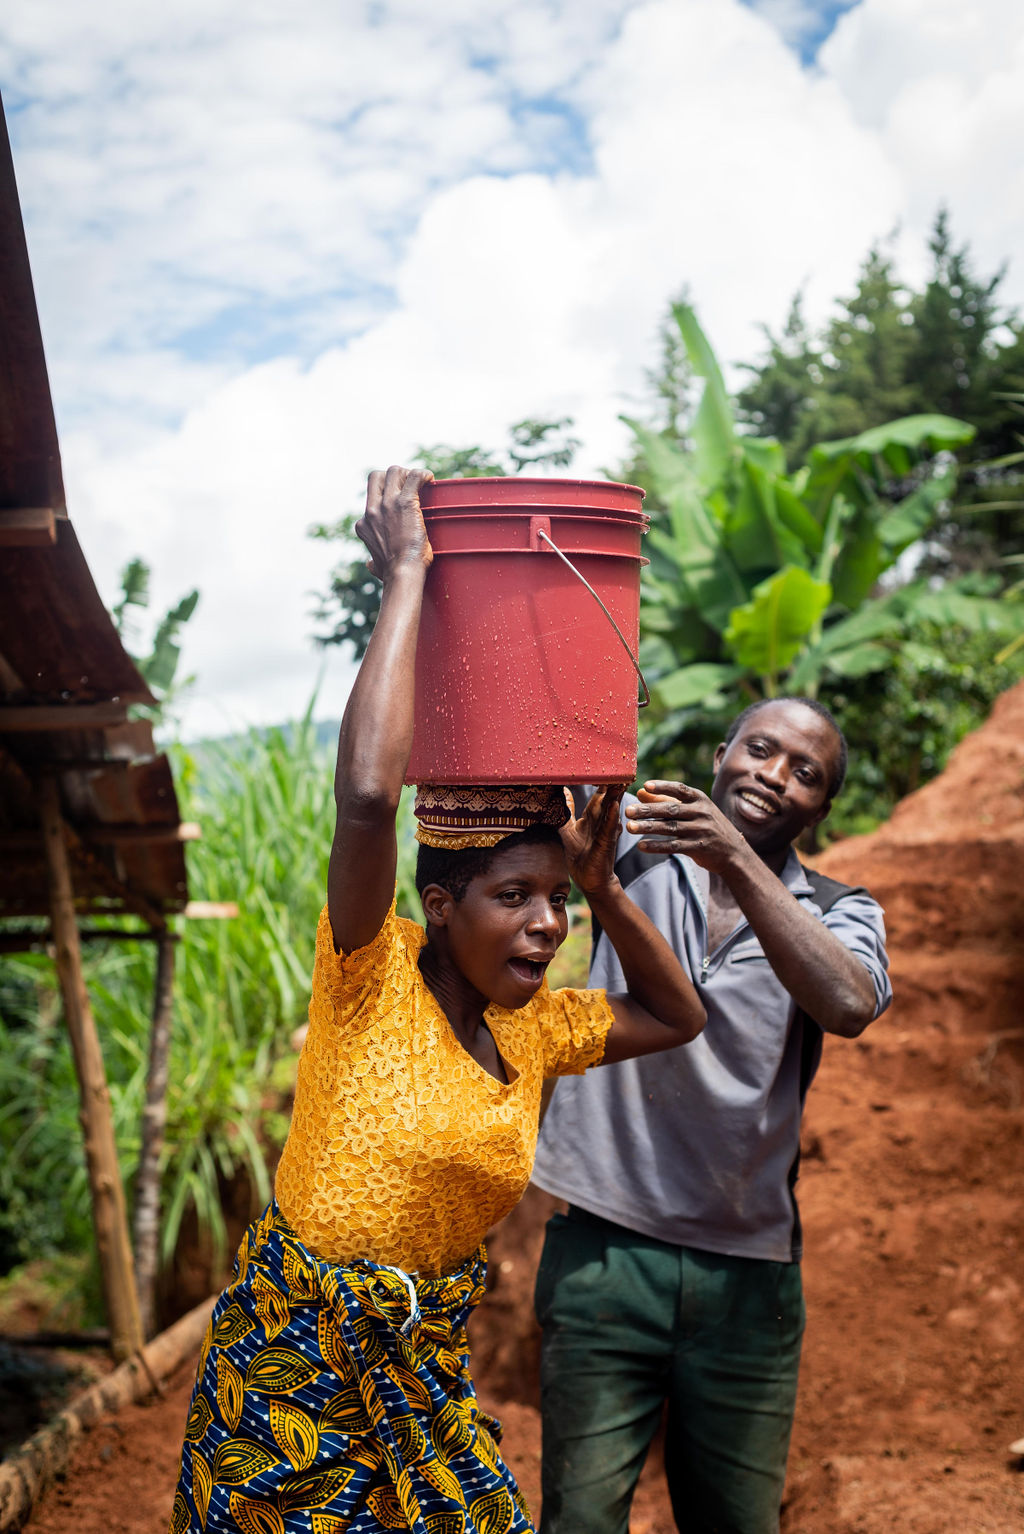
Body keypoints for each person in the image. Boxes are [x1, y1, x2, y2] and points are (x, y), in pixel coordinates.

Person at [169, 464, 707, 1534]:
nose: (546, 926)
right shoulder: (367, 973)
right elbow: (370, 797)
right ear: (440, 903)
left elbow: (680, 1014)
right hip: (293, 1381)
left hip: (422, 1372)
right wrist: (406, 572)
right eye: (515, 898)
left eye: (555, 902)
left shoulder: (539, 1029)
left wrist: (600, 879)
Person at [531, 697, 893, 1534]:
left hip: (747, 1281)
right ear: (723, 750)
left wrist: (735, 861)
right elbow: (551, 725)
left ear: (823, 810)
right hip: (605, 1250)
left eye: (806, 773)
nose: (774, 775)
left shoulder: (841, 912)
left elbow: (846, 1002)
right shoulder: (633, 843)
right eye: (761, 749)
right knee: (578, 1522)